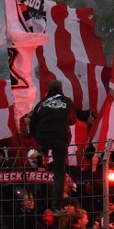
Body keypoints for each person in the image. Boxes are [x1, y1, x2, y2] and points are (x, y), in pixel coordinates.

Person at [30, 79, 75, 207]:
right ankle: (57, 205)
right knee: (59, 173)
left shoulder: (41, 103)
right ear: (61, 89)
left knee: (42, 149)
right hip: (60, 138)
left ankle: (42, 155)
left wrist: (38, 138)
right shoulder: (67, 101)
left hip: (43, 136)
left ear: (48, 90)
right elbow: (73, 121)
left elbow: (32, 126)